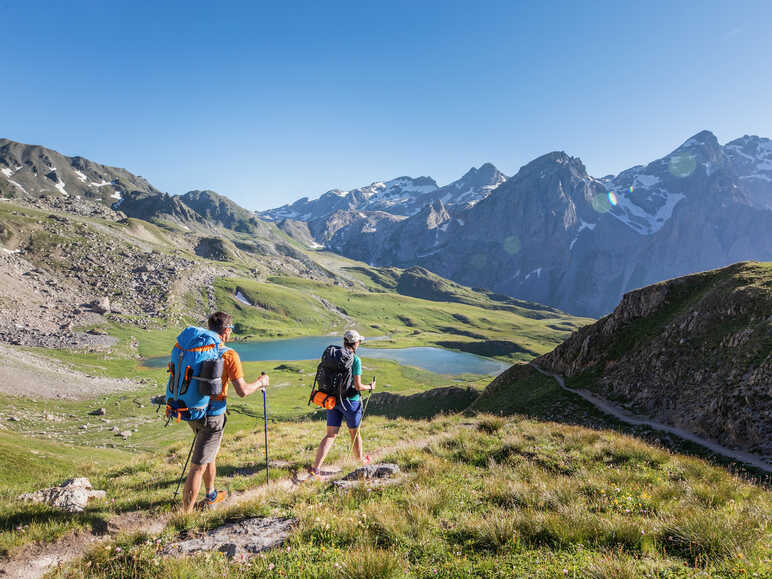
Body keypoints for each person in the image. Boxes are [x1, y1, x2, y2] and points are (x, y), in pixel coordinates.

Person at [182, 311, 269, 513]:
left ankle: (211, 494)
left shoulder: (198, 348)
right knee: (198, 466)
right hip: (213, 416)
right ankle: (184, 514)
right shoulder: (229, 354)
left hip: (193, 410)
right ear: (227, 331)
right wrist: (261, 382)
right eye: (230, 330)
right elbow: (243, 391)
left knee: (208, 454)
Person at [309, 329, 375, 478]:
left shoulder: (334, 356)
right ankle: (359, 462)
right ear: (355, 343)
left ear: (345, 341)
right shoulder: (355, 360)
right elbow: (357, 386)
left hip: (333, 401)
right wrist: (370, 387)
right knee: (354, 432)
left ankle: (315, 468)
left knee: (331, 435)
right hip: (350, 402)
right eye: (359, 341)